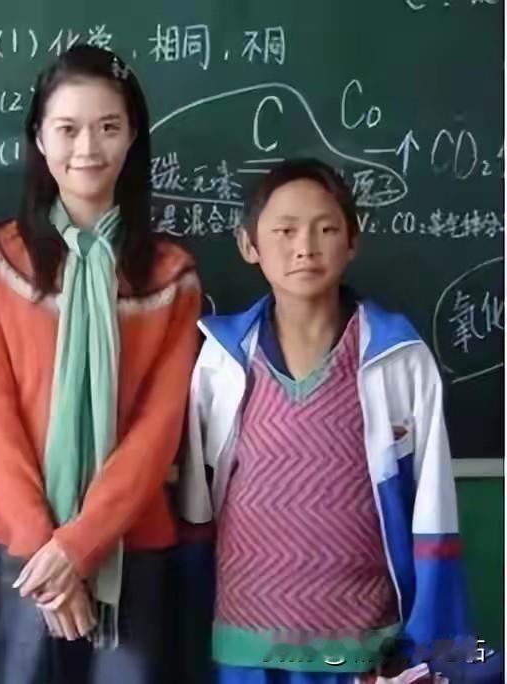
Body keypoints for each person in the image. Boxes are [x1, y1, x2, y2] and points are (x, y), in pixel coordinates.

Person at [0, 45, 201, 683]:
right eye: (67, 129)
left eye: (108, 127)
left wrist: (81, 543)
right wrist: (49, 549)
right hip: (21, 548)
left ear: (132, 136)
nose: (87, 148)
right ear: (39, 138)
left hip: (133, 546)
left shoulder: (172, 274)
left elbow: (157, 430)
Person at [179, 158, 472, 682]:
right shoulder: (221, 362)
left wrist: (430, 646)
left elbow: (433, 508)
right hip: (246, 643)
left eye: (327, 229)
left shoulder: (398, 358)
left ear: (353, 241)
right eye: (285, 231)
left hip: (362, 646)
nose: (306, 247)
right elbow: (196, 507)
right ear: (249, 245)